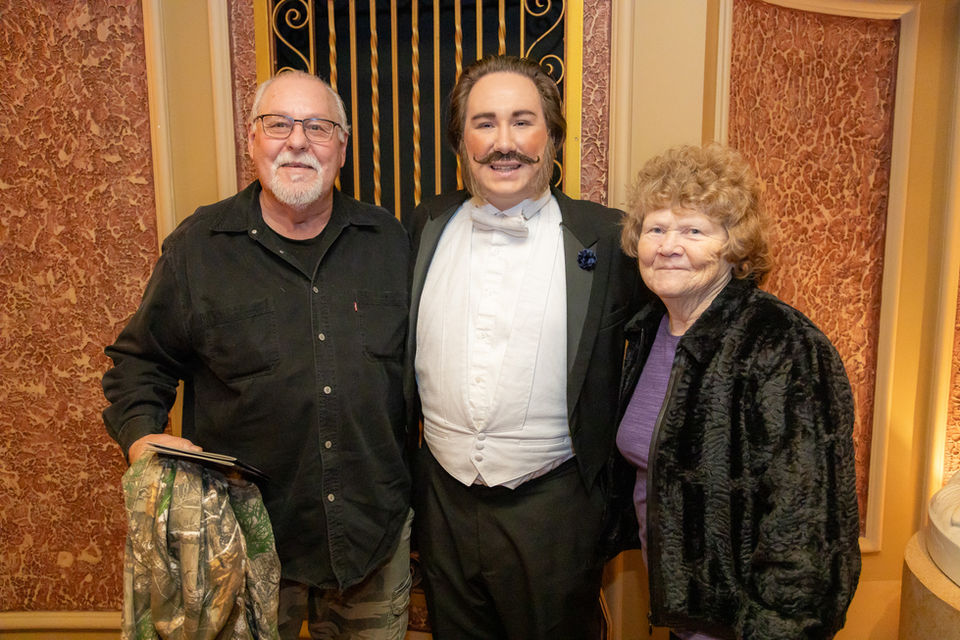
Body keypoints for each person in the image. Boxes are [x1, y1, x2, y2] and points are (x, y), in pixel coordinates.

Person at [103, 70, 412, 640]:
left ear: (342, 146)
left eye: (317, 127)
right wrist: (143, 441)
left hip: (372, 540)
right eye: (278, 125)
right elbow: (140, 363)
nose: (297, 141)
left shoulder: (390, 242)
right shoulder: (199, 247)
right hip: (241, 547)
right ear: (251, 140)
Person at [404, 55, 640, 640]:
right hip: (442, 502)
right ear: (460, 142)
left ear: (553, 138)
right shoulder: (425, 225)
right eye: (484, 123)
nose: (503, 143)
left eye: (522, 121)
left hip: (556, 509)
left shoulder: (611, 239)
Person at [612, 143, 861, 639]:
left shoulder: (782, 344)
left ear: (734, 246)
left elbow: (807, 526)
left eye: (693, 230)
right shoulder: (648, 331)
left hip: (746, 626)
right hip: (687, 617)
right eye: (655, 229)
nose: (668, 245)